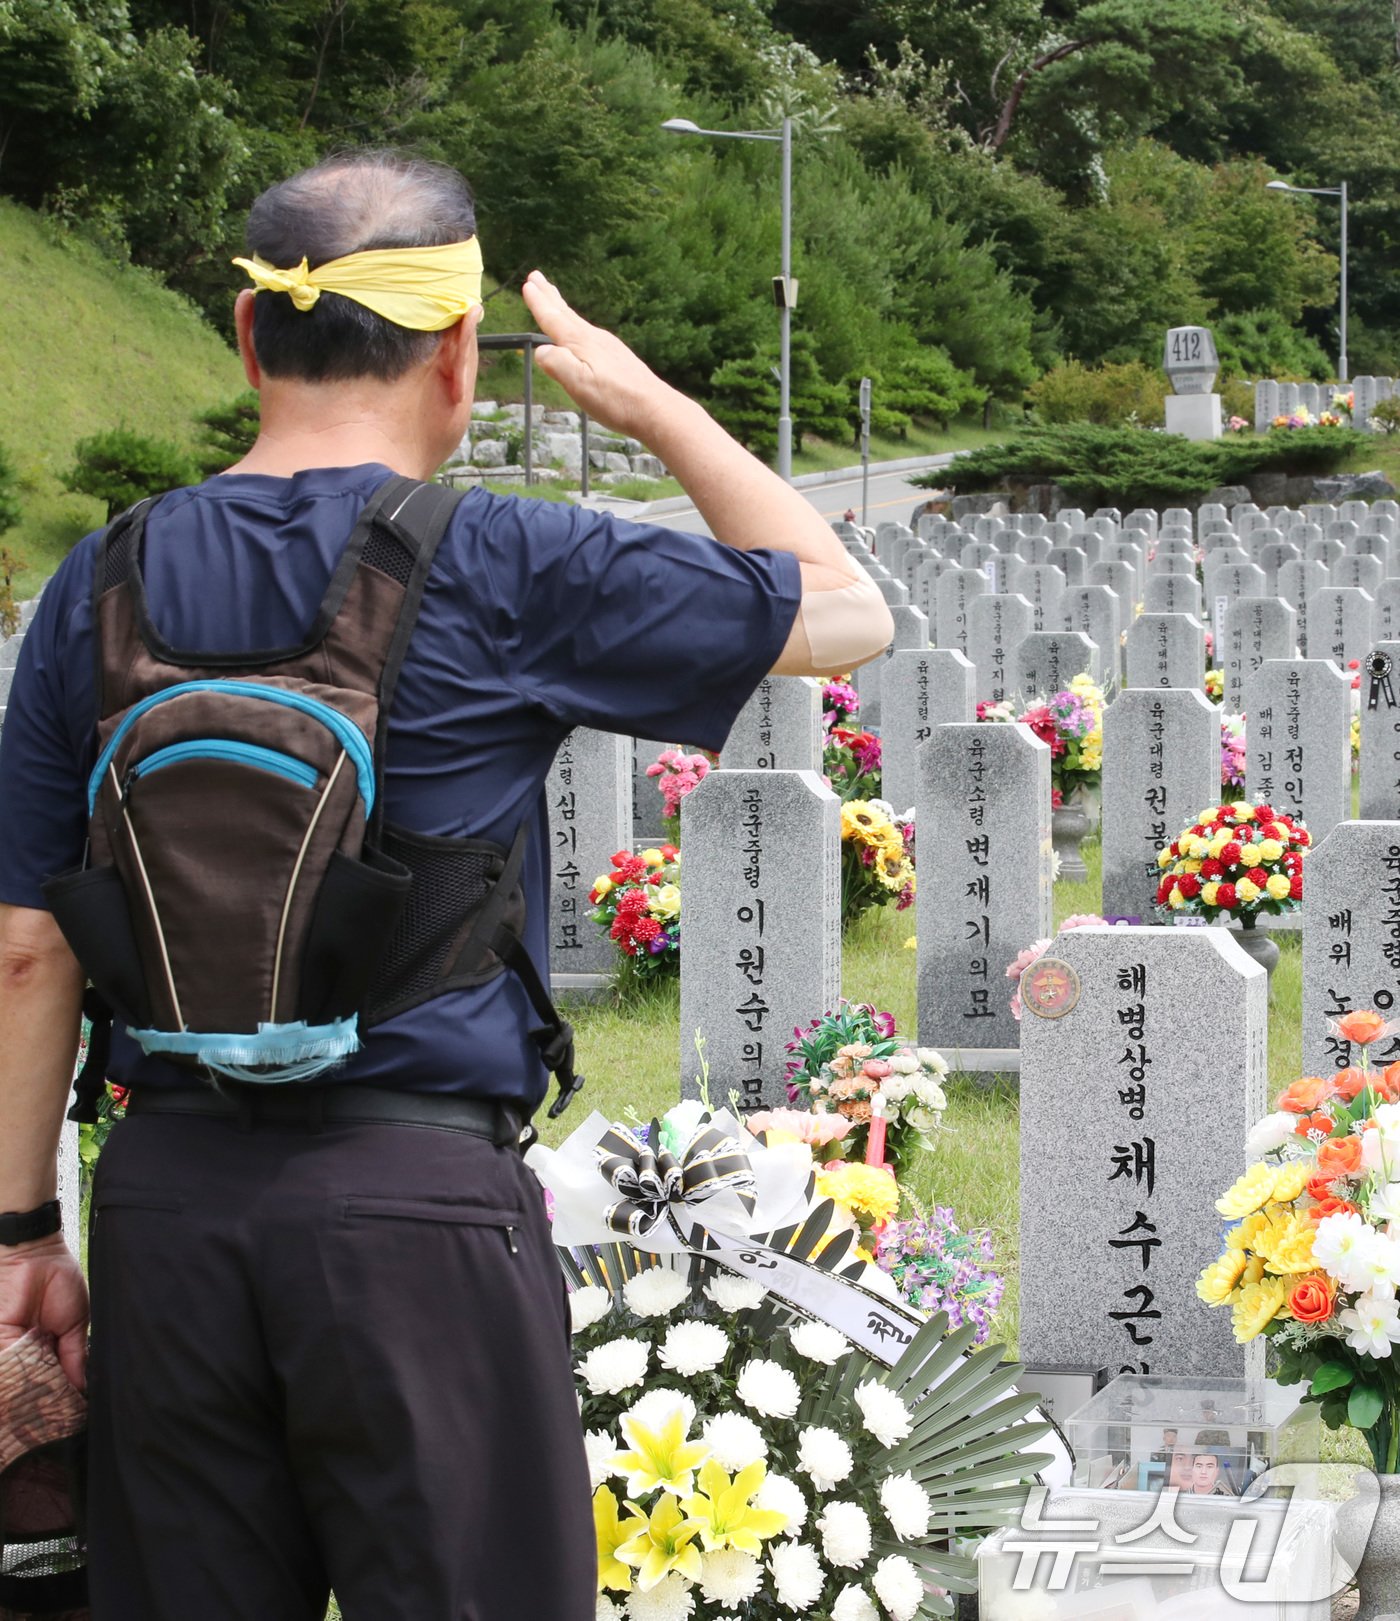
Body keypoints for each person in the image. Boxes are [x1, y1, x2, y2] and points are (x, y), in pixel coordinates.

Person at [0, 149, 892, 1618]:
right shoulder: (503, 559)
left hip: (163, 1204)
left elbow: (29, 948)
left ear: (246, 337)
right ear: (462, 348)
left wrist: (27, 1233)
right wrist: (650, 402)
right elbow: (847, 611)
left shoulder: (101, 579)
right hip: (413, 1209)